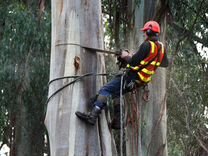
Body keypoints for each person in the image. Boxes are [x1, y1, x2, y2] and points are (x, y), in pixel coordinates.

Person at [75, 20, 168, 129]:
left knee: (106, 90)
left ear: (148, 31)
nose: (144, 34)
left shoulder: (147, 45)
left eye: (145, 32)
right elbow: (164, 63)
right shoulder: (161, 47)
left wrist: (125, 55)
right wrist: (141, 57)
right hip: (138, 82)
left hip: (131, 77)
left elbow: (133, 62)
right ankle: (117, 121)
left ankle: (92, 116)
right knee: (115, 94)